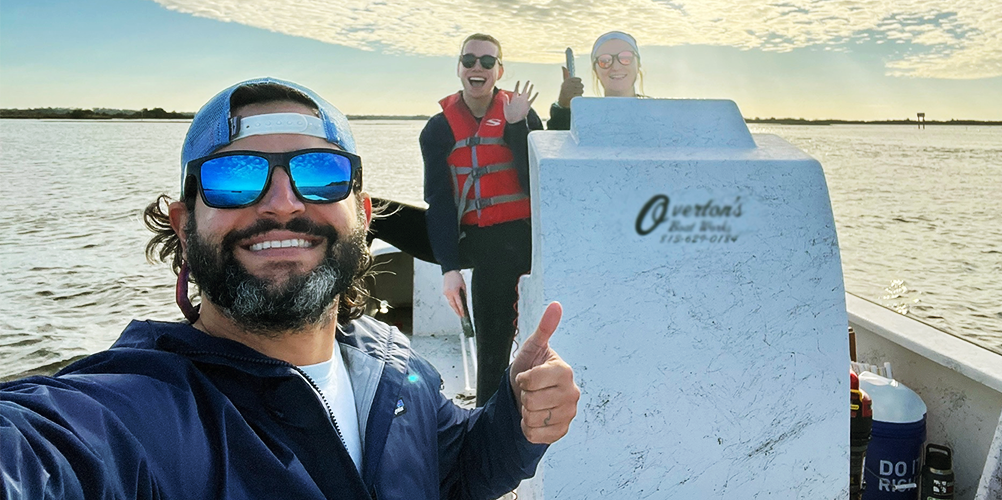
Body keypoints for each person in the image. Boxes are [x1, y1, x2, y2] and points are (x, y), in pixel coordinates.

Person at [0, 77, 579, 499]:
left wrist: (514, 417)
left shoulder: (395, 369)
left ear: (362, 212)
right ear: (184, 224)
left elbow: (455, 471)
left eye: (320, 174)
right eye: (235, 176)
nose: (282, 202)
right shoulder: (140, 412)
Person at [421, 33, 543, 407]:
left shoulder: (520, 112)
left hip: (524, 234)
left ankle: (509, 394)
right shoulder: (438, 129)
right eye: (470, 60)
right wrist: (449, 268)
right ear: (459, 68)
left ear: (499, 70)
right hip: (477, 236)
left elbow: (536, 182)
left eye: (487, 62)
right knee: (383, 221)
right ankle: (489, 407)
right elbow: (438, 201)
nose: (478, 68)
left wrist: (518, 126)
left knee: (505, 279)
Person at [547, 30, 645, 131]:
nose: (616, 66)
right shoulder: (585, 122)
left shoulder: (659, 113)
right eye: (605, 61)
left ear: (638, 64)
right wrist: (563, 110)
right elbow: (557, 144)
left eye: (625, 57)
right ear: (595, 70)